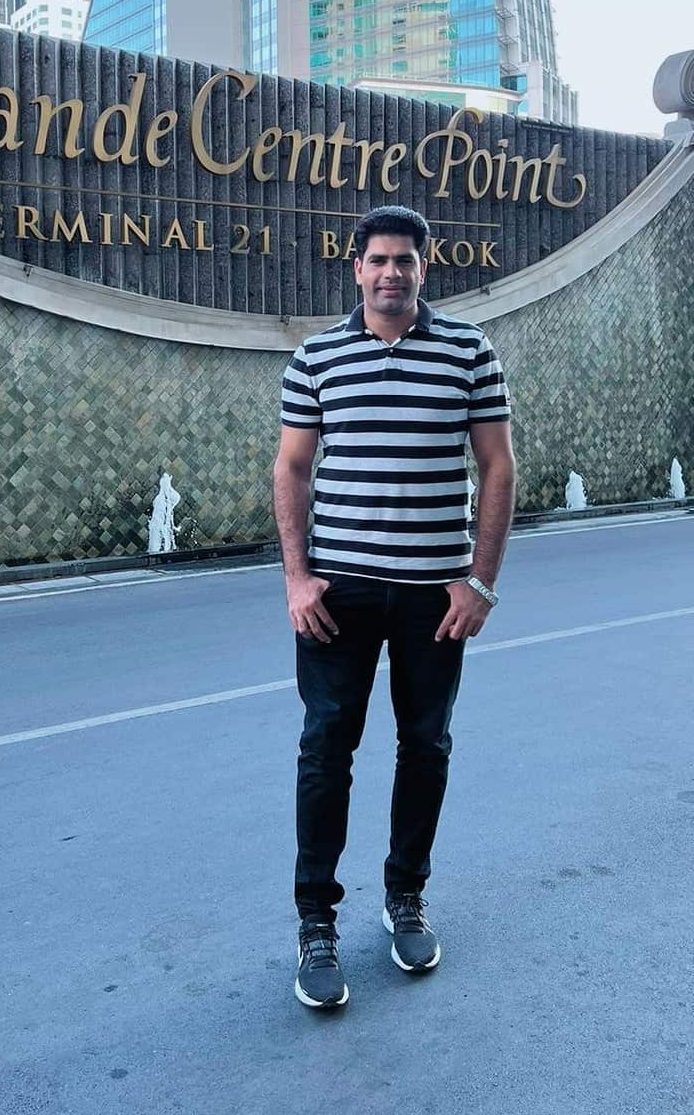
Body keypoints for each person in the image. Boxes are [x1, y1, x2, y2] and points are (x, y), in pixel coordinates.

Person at [273, 205, 516, 1009]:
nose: (391, 273)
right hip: (337, 595)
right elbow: (291, 469)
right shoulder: (316, 357)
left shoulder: (468, 351)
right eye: (377, 259)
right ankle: (316, 922)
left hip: (433, 597)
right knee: (325, 751)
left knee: (426, 745)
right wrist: (297, 578)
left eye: (404, 260)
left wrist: (480, 581)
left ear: (423, 266)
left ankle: (405, 895)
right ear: (356, 268)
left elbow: (498, 467)